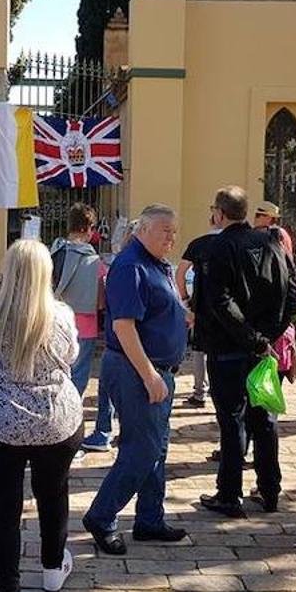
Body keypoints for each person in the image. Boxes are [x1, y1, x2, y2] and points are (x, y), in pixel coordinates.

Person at [0, 240, 83, 592]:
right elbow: (71, 359)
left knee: (2, 510)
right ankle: (53, 568)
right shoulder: (63, 317)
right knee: (54, 493)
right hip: (56, 421)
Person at [82, 205, 189, 554]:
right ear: (142, 229)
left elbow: (156, 308)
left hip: (157, 371)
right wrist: (149, 375)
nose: (171, 238)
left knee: (156, 448)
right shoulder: (130, 266)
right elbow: (123, 326)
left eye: (174, 231)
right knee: (141, 450)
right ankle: (101, 516)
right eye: (164, 231)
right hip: (137, 371)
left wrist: (181, 315)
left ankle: (149, 519)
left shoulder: (156, 264)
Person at [194, 187, 296, 519]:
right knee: (264, 419)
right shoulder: (270, 242)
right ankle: (269, 489)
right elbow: (293, 290)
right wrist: (270, 334)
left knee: (233, 421)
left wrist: (256, 337)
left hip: (231, 349)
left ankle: (230, 494)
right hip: (260, 347)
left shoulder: (220, 246)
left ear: (220, 213)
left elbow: (219, 300)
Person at [81, 219, 139, 453]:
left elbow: (109, 304)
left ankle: (105, 431)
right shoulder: (152, 265)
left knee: (110, 385)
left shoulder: (123, 265)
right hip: (132, 339)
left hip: (120, 339)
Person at [52, 204, 104, 397]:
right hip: (86, 325)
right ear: (87, 228)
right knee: (79, 373)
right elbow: (100, 302)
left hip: (56, 322)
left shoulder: (55, 253)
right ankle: (72, 413)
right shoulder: (95, 262)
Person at [176, 206, 222, 408]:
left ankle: (199, 393)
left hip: (202, 304)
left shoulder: (199, 244)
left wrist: (186, 298)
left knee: (199, 350)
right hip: (230, 306)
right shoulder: (238, 243)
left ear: (212, 220)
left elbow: (180, 273)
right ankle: (219, 390)